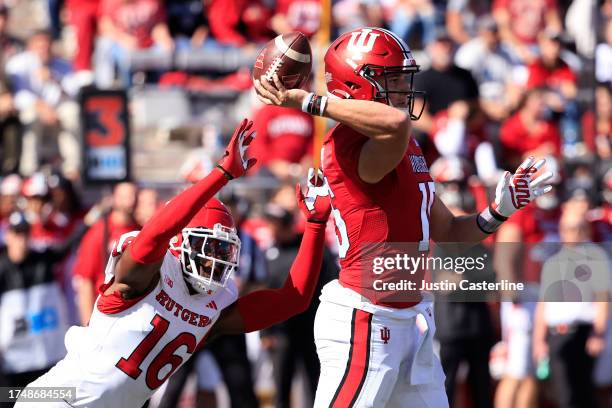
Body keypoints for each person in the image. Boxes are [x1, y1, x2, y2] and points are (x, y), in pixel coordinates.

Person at [254, 26, 555, 407]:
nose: (402, 88)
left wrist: (498, 212)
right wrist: (308, 101)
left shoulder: (405, 144)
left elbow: (448, 231)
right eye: (391, 78)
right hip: (364, 318)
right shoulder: (348, 142)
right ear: (355, 84)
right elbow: (394, 124)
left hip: (411, 321)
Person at [15, 119, 332, 408]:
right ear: (179, 241)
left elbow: (295, 298)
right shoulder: (144, 277)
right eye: (208, 247)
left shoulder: (214, 308)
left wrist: (316, 225)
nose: (215, 260)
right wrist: (221, 175)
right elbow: (154, 235)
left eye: (223, 251)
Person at [0, 209, 96, 400]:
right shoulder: (2, 268)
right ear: (8, 236)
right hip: (14, 362)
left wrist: (93, 216)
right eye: (16, 234)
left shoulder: (44, 259)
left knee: (52, 400)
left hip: (47, 356)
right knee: (9, 399)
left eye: (25, 233)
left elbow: (69, 243)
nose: (21, 240)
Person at [532, 205, 610, 408]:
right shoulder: (553, 262)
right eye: (566, 228)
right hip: (557, 335)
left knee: (582, 393)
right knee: (564, 394)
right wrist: (539, 340)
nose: (571, 233)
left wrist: (598, 333)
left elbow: (602, 298)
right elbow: (544, 304)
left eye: (576, 228)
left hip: (582, 333)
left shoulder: (595, 257)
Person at [72, 182, 140, 325]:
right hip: (105, 312)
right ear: (115, 199)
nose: (131, 201)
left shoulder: (139, 231)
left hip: (131, 313)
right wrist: (88, 324)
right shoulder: (99, 232)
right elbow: (85, 280)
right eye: (126, 196)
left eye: (134, 196)